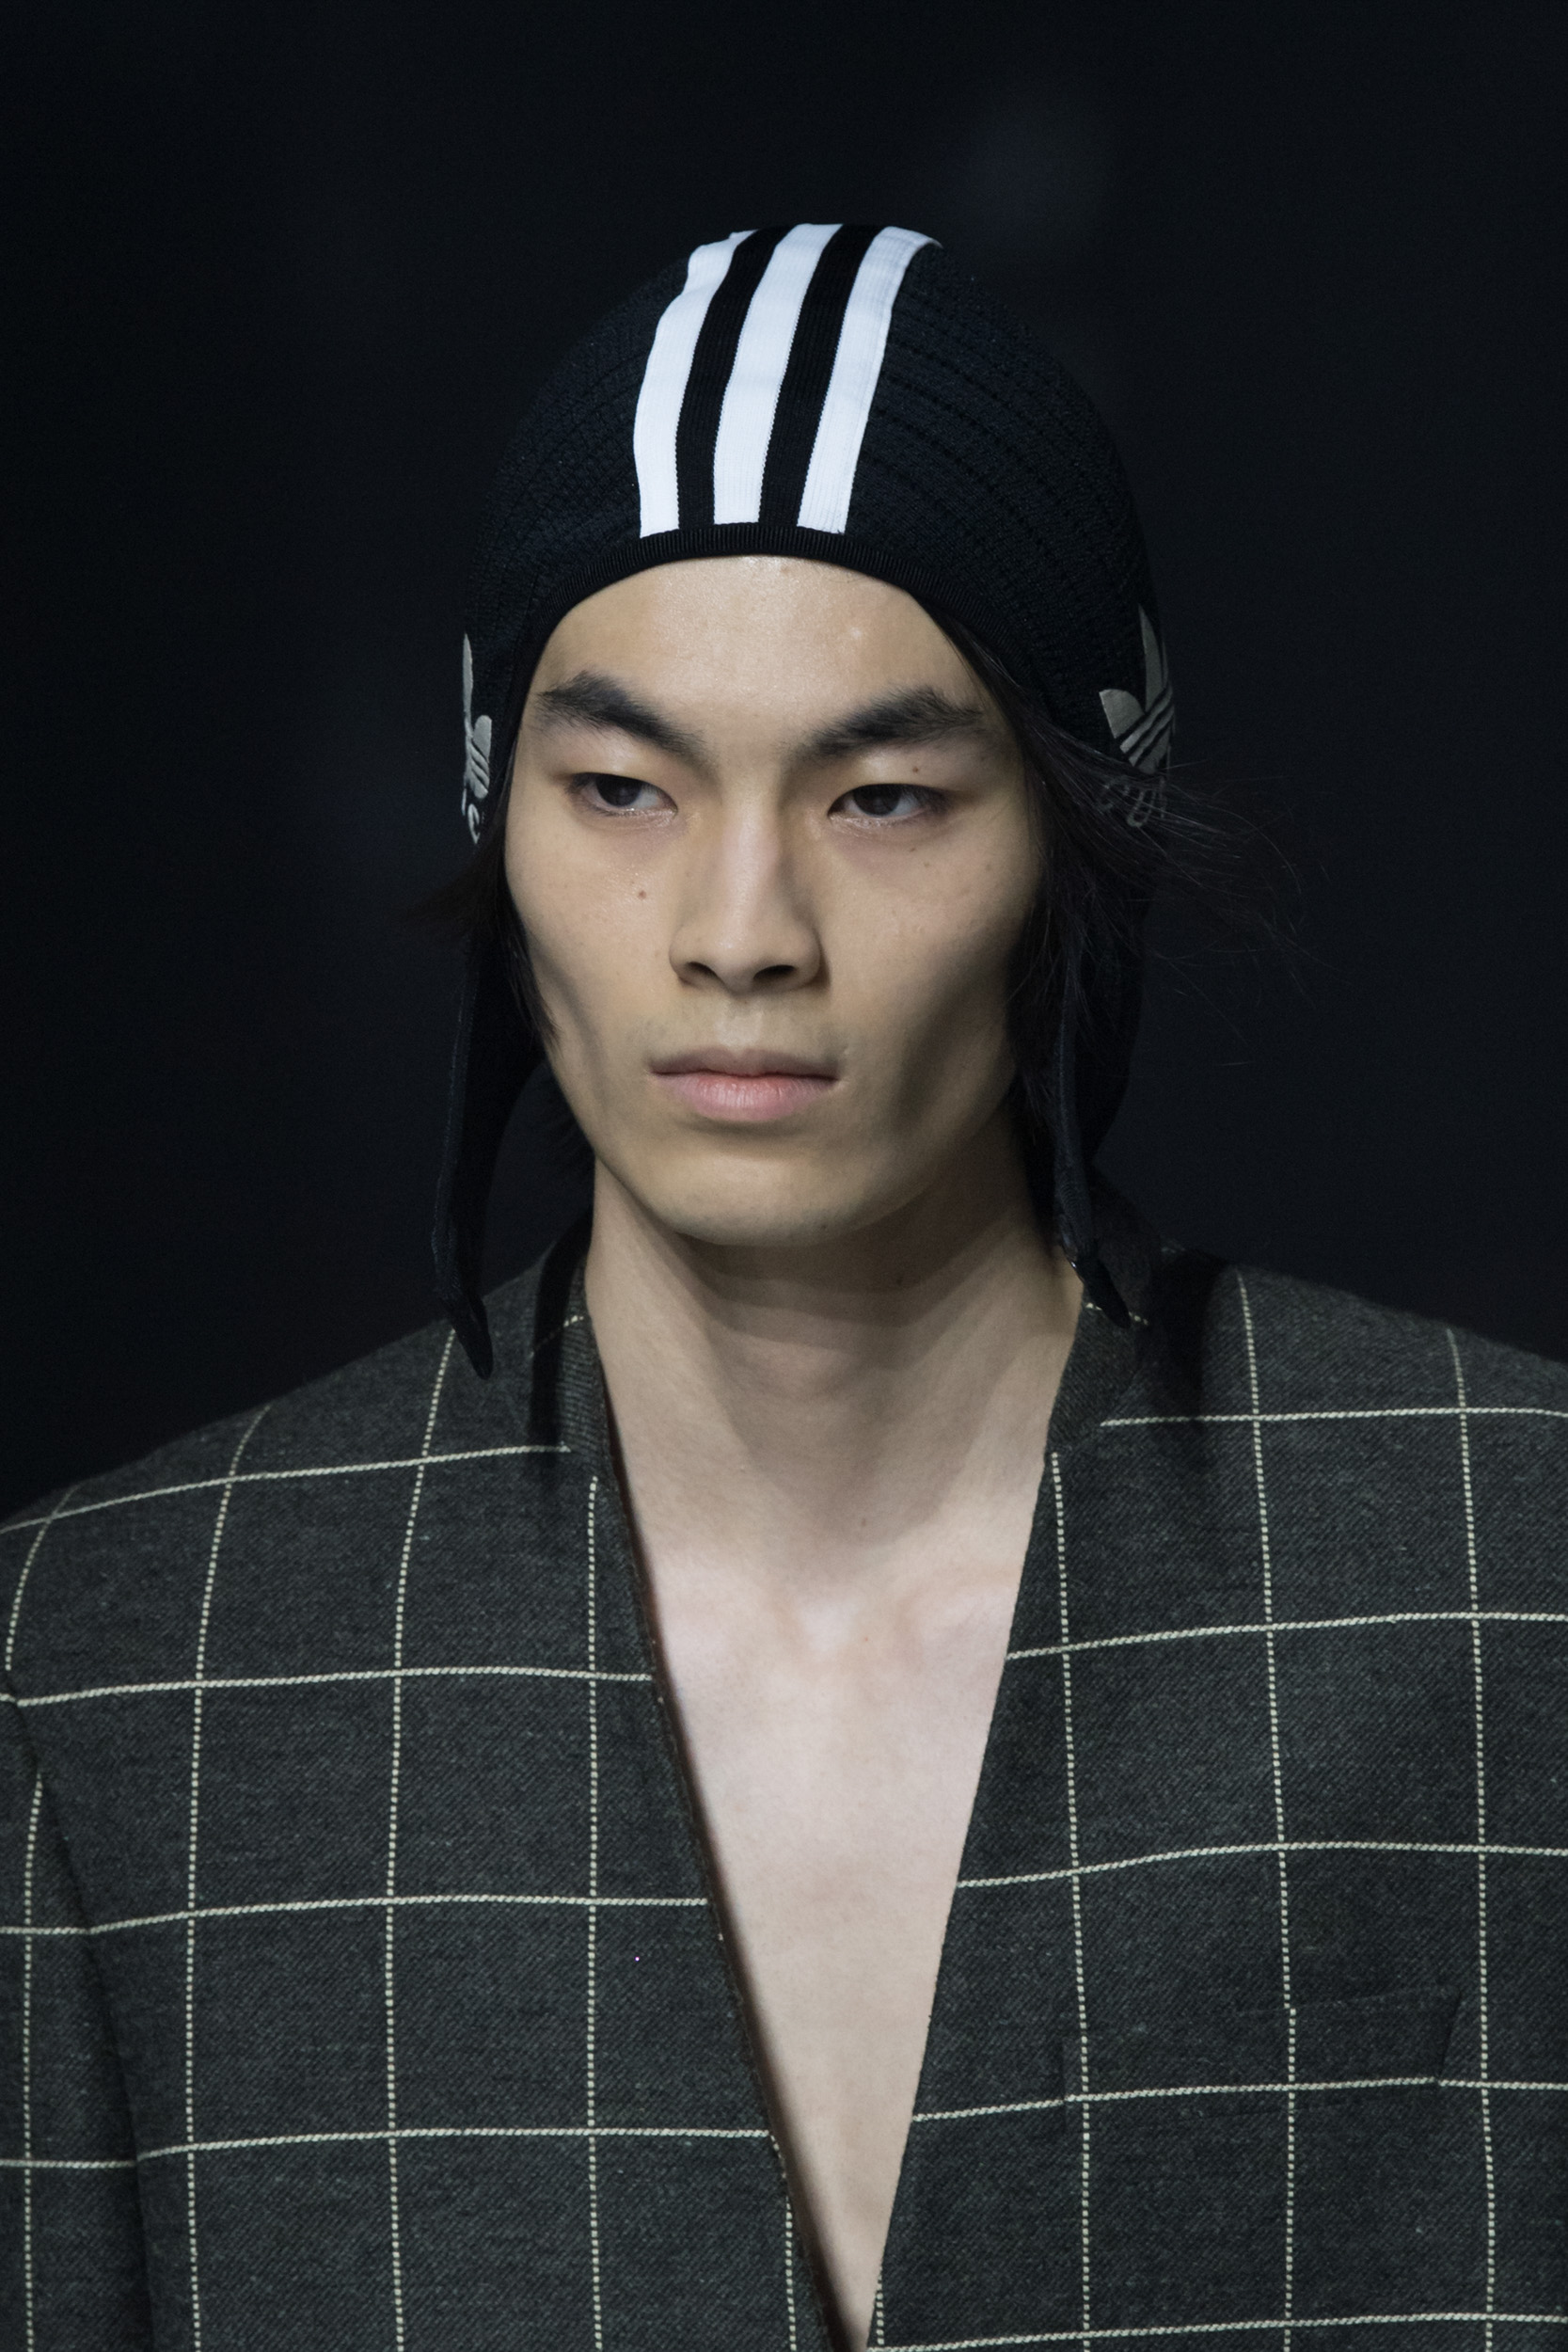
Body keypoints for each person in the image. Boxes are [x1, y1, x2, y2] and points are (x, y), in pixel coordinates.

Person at [3, 222, 1564, 2352]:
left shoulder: (1511, 1576)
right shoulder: (117, 1675)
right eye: (621, 788)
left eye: (885, 795)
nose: (740, 927)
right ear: (499, 811)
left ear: (1075, 833)